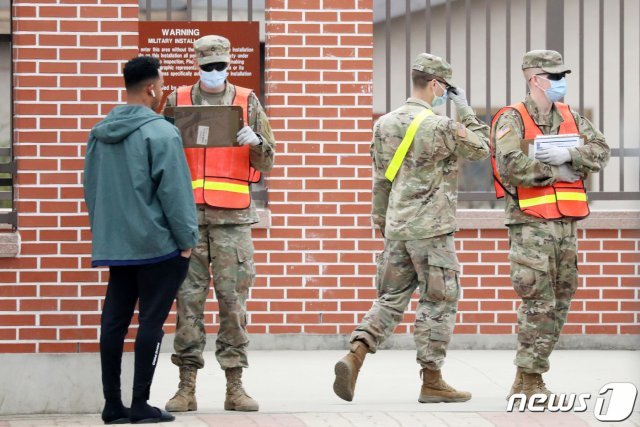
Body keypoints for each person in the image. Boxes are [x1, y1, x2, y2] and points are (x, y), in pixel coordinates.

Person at [333, 53, 490, 403]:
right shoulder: (442, 125)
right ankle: (432, 380)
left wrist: (381, 222)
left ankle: (355, 352)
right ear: (436, 84)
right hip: (432, 231)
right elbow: (482, 149)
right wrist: (464, 110)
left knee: (389, 298)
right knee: (438, 302)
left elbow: (380, 178)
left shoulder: (384, 124)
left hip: (396, 227)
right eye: (443, 88)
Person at [163, 35, 275, 413]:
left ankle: (235, 386)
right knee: (187, 303)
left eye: (220, 66)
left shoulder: (247, 101)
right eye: (208, 67)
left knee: (233, 303)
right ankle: (186, 386)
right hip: (187, 219)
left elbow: (268, 160)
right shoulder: (177, 101)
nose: (214, 73)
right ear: (198, 65)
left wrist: (256, 140)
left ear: (229, 64)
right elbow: (159, 154)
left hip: (232, 220)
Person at [83, 55, 198, 424]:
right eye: (161, 85)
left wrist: (106, 234)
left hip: (116, 246)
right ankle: (140, 405)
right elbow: (176, 194)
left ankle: (112, 405)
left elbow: (91, 189)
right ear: (152, 88)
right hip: (158, 247)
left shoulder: (99, 132)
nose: (162, 91)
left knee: (113, 321)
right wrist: (186, 241)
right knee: (151, 322)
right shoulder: (162, 132)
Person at [490, 50, 609, 402]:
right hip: (530, 224)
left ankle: (529, 373)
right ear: (535, 79)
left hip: (565, 225)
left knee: (561, 298)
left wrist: (572, 155)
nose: (561, 83)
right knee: (537, 301)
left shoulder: (571, 117)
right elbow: (510, 166)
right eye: (554, 77)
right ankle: (530, 378)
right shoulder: (512, 118)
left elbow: (602, 150)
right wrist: (559, 170)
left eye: (563, 76)